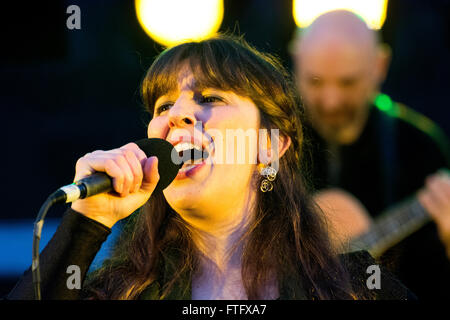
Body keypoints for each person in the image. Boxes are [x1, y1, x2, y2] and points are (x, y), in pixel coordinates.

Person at [7, 35, 412, 300]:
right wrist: (87, 223)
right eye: (163, 106)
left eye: (211, 98)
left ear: (269, 146)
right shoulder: (118, 291)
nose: (178, 114)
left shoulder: (355, 289)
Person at [291, 10, 450, 299]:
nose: (331, 100)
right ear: (296, 61)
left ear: (380, 66)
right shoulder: (272, 142)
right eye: (315, 82)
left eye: (347, 82)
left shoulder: (420, 149)